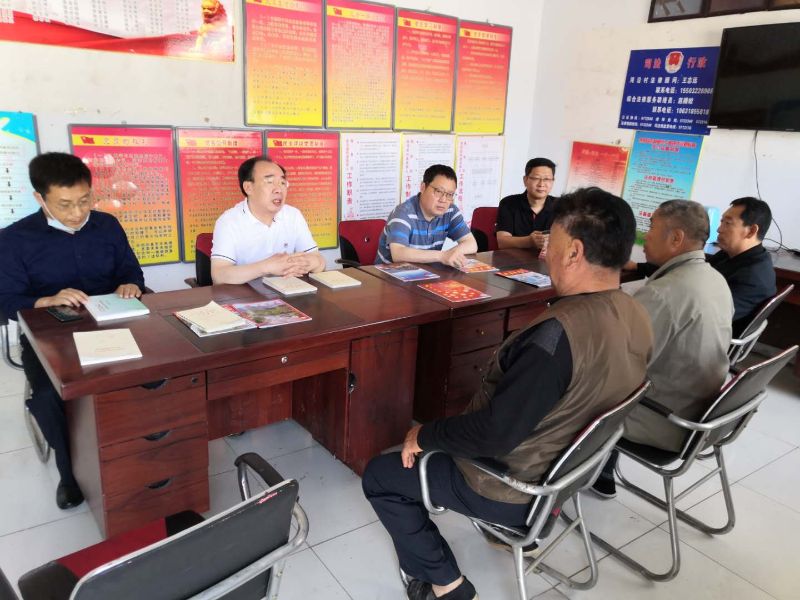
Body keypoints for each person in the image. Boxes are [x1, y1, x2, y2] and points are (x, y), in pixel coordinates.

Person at [363, 187, 653, 600]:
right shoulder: (636, 312)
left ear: (574, 252)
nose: (546, 252)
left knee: (381, 475)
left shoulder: (556, 338)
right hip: (570, 473)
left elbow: (494, 435)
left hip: (511, 486)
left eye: (553, 243)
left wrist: (423, 434)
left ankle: (447, 585)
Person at [0, 152, 145, 509]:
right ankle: (69, 474)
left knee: (153, 375)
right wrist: (45, 300)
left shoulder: (107, 225)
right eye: (64, 205)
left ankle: (140, 449)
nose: (78, 213)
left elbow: (131, 270)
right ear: (40, 198)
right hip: (50, 339)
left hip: (111, 325)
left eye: (84, 200)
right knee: (50, 397)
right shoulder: (14, 239)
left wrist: (130, 283)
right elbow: (6, 301)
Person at [593, 200, 733, 499]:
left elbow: (614, 365)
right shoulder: (716, 279)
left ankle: (547, 489)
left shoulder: (664, 294)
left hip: (664, 419)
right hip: (700, 413)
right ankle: (599, 470)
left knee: (563, 384)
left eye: (652, 226)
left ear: (676, 238)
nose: (645, 236)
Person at [210, 156, 325, 284]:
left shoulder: (293, 215)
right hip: (246, 294)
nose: (279, 189)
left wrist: (311, 262)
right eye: (270, 182)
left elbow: (319, 262)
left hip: (287, 290)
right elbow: (219, 275)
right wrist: (266, 267)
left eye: (282, 183)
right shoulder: (229, 221)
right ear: (248, 188)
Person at [375, 164, 477, 268]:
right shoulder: (403, 212)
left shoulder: (450, 211)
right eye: (438, 191)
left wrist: (451, 254)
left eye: (449, 194)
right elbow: (398, 254)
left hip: (427, 272)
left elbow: (471, 244)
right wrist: (442, 256)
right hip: (388, 274)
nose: (443, 200)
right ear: (423, 187)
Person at [710, 197, 776, 336]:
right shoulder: (731, 253)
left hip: (711, 338)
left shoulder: (753, 277)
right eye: (722, 222)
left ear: (751, 231)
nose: (719, 229)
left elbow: (711, 317)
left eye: (728, 223)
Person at [495, 157, 558, 251]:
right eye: (536, 178)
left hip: (548, 259)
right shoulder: (508, 203)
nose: (541, 184)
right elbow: (502, 242)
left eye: (547, 179)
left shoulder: (562, 206)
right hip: (513, 258)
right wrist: (529, 241)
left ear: (553, 181)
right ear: (525, 180)